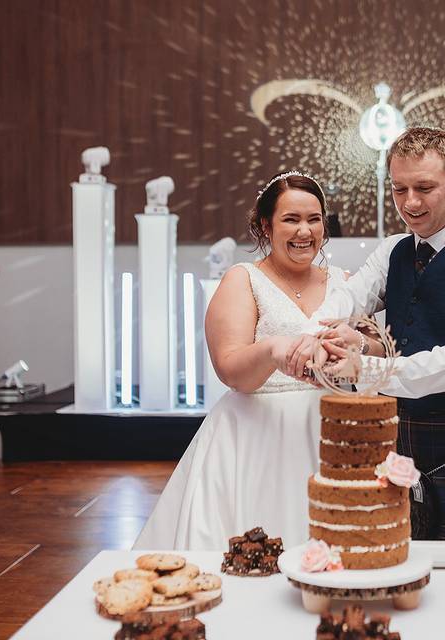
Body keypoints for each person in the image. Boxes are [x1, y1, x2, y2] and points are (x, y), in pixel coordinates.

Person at [288, 127, 445, 548]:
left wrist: (367, 368)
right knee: (392, 564)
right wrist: (311, 334)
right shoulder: (393, 250)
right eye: (399, 189)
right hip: (396, 441)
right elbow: (348, 298)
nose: (410, 203)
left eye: (424, 188)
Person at [134, 171, 346, 551]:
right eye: (291, 219)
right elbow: (230, 368)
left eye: (314, 219)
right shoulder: (243, 279)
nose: (305, 231)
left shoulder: (344, 282)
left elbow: (364, 351)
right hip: (256, 435)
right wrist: (272, 350)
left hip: (330, 431)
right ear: (266, 225)